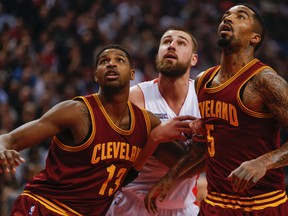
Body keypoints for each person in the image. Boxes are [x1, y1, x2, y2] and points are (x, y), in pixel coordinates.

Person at [0, 44, 194, 216]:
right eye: (104, 61)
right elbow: (9, 139)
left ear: (132, 73)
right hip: (47, 206)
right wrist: (3, 148)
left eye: (119, 60)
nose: (111, 64)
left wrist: (209, 133)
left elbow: (187, 163)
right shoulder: (76, 112)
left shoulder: (145, 123)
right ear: (95, 75)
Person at [144, 4, 288, 215]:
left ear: (254, 38)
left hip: (262, 204)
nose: (228, 19)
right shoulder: (203, 81)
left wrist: (264, 162)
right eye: (225, 16)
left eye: (240, 16)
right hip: (215, 202)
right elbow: (205, 146)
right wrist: (170, 178)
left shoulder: (264, 81)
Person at [107, 28, 204, 216]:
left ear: (194, 59)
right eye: (166, 41)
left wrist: (171, 178)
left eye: (181, 42)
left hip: (184, 208)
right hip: (133, 204)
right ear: (158, 53)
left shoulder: (204, 97)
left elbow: (217, 156)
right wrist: (155, 138)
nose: (172, 46)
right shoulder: (136, 98)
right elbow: (121, 164)